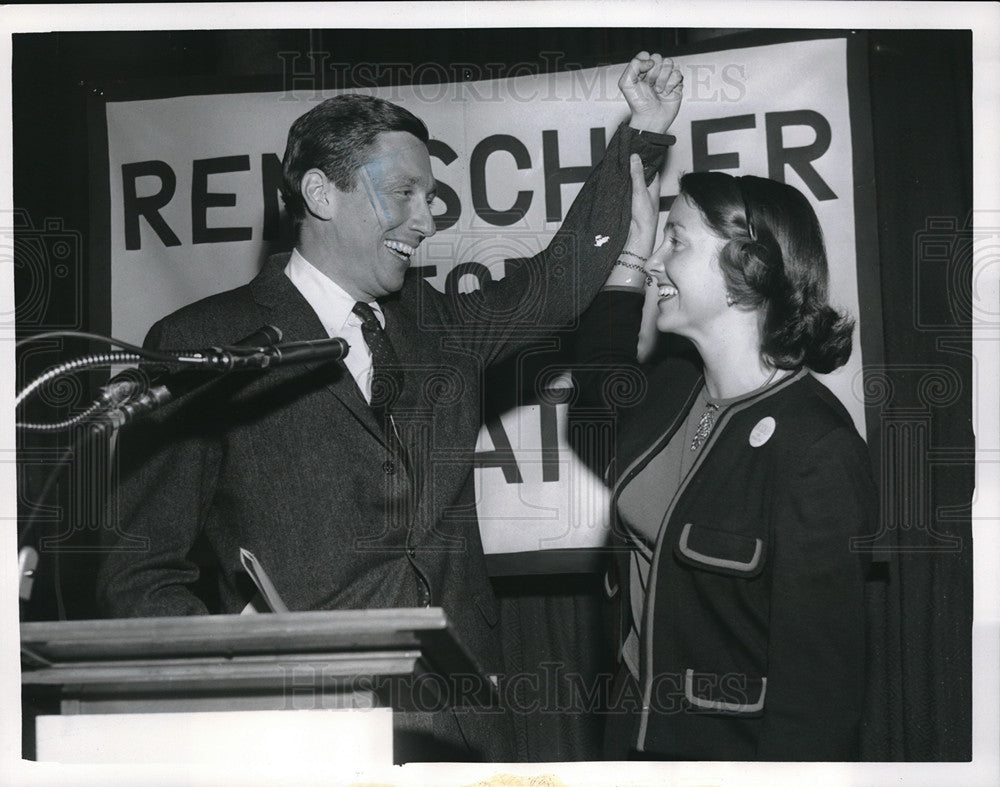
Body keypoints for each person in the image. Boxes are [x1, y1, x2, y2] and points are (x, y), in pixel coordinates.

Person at [96, 54, 683, 761]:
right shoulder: (203, 345)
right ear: (320, 192)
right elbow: (141, 571)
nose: (428, 218)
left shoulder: (437, 325)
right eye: (404, 192)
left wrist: (642, 135)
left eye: (431, 195)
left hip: (460, 728)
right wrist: (238, 674)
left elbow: (555, 283)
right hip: (297, 738)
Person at [569, 153, 879, 760]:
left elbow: (818, 700)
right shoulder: (674, 389)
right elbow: (594, 379)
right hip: (631, 742)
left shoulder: (817, 449)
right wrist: (632, 252)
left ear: (748, 265)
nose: (658, 262)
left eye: (675, 242)